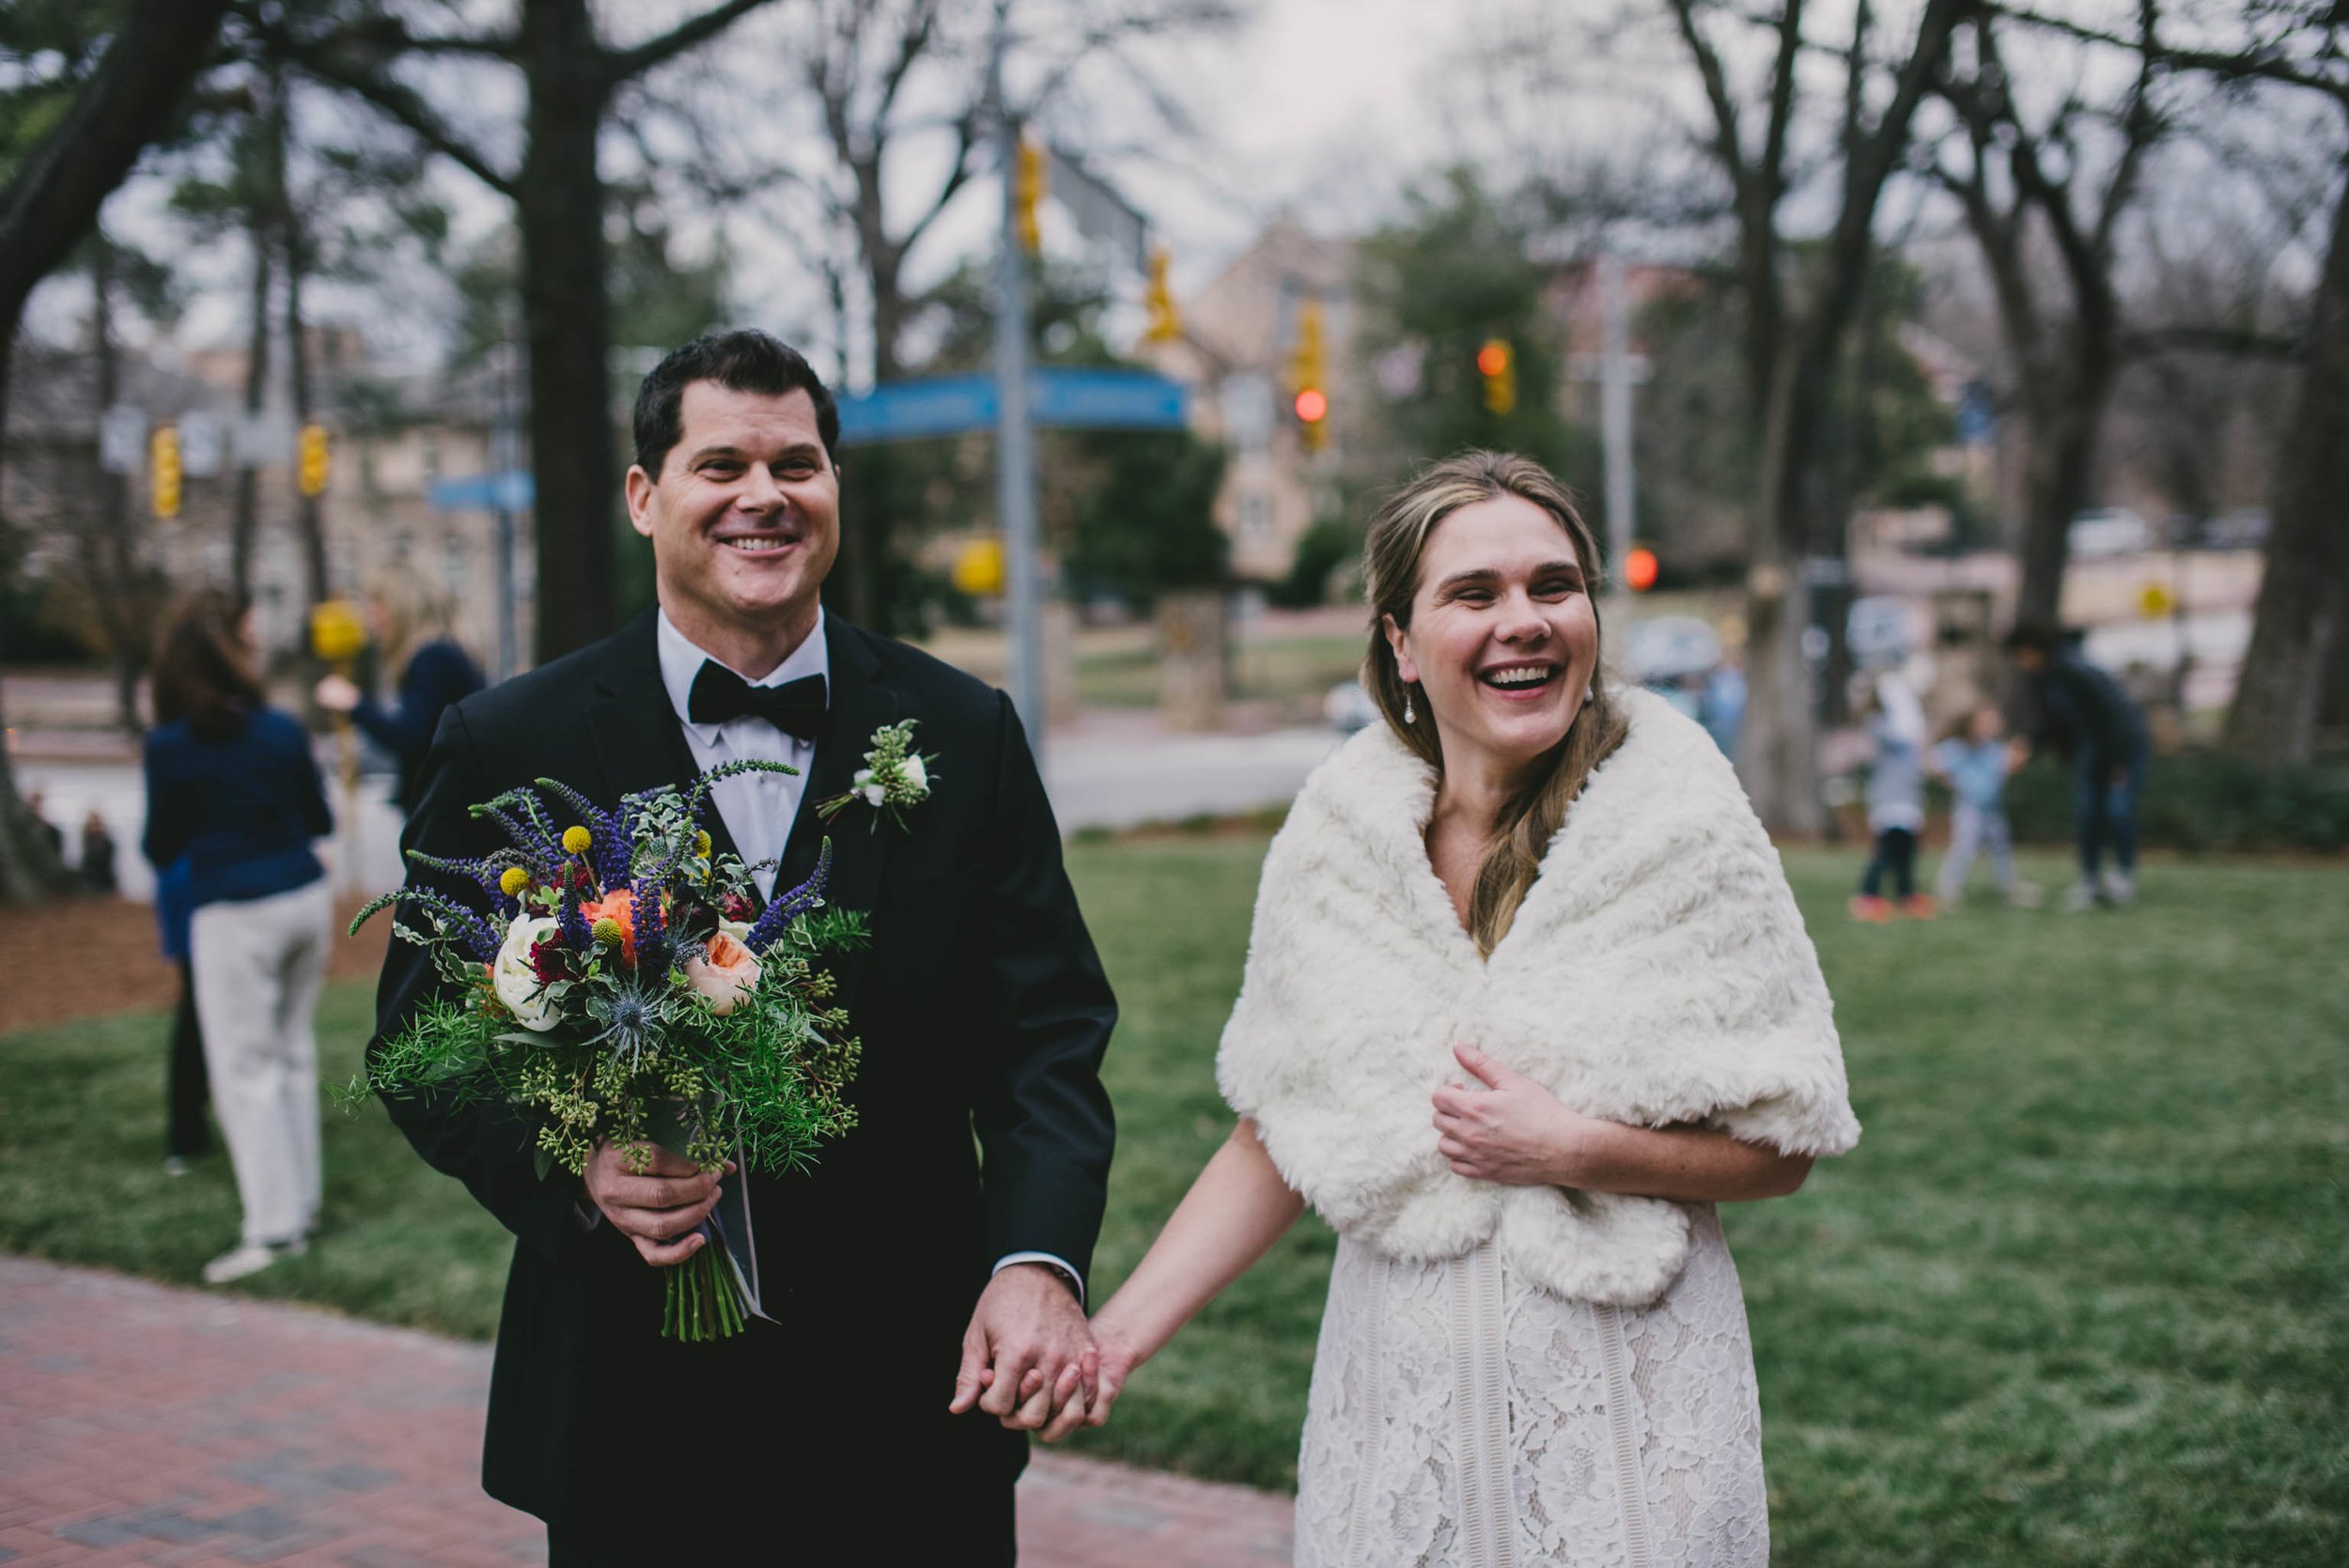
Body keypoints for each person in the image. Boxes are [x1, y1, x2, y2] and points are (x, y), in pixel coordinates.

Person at [371, 330, 1116, 1564]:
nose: (764, 495)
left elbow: (1048, 1035)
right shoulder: (512, 739)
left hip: (915, 1399)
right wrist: (579, 1172)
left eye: (798, 464)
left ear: (834, 489)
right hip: (632, 1406)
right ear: (644, 496)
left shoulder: (961, 729)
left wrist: (1037, 1259)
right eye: (722, 464)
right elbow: (416, 1041)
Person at [1078, 453, 1859, 1567]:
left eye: (1553, 585)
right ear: (1399, 640)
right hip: (1398, 1417)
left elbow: (1783, 1146)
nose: (1525, 621)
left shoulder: (1678, 823)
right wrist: (1115, 1341)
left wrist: (1569, 1146)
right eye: (1474, 594)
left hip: (1630, 1426)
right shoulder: (1340, 843)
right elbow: (1279, 1127)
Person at [143, 589, 334, 1284]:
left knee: (245, 1071)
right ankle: (302, 1208)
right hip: (303, 899)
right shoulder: (282, 729)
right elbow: (317, 817)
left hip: (234, 911)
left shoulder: (169, 748)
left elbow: (161, 846)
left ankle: (273, 1229)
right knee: (290, 1053)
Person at [314, 563, 486, 814]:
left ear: (400, 607)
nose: (371, 620)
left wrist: (354, 703)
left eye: (376, 606)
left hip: (446, 806)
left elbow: (409, 736)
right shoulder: (442, 651)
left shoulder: (431, 657)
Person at [2003, 622, 2151, 909]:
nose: (2020, 664)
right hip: (2091, 751)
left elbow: (2113, 716)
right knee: (2088, 813)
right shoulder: (2043, 679)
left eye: (2020, 657)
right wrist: (2028, 744)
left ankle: (2122, 878)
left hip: (2123, 748)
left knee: (2118, 809)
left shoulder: (2076, 670)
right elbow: (2051, 722)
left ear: (2032, 651)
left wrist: (2118, 763)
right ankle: (2090, 881)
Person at [1929, 703, 2038, 908]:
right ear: (1973, 725)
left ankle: (2008, 887)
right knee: (1964, 847)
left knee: (2001, 847)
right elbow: (1933, 763)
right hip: (1968, 807)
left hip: (1992, 808)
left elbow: (2011, 766)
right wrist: (1952, 780)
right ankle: (1948, 889)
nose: (1992, 726)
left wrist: (2021, 751)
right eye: (1987, 722)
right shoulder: (1957, 748)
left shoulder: (1994, 750)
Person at [1849, 668, 1934, 921]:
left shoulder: (1905, 730)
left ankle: (1906, 893)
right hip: (1889, 798)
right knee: (1885, 851)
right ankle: (1867, 896)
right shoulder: (1879, 725)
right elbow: (1898, 738)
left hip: (1908, 797)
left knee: (1906, 852)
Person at [76, 808, 118, 893]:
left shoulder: (107, 843)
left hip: (103, 881)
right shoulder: (87, 841)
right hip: (89, 882)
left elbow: (107, 865)